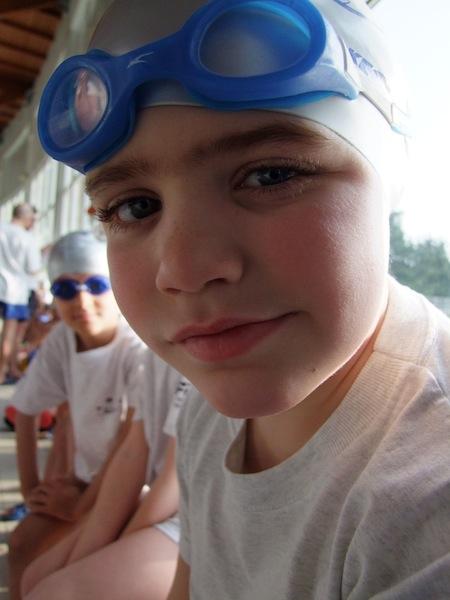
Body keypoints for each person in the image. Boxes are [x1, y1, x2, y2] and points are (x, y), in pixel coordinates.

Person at [37, 1, 450, 598]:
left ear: (387, 183)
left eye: (270, 175)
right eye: (135, 206)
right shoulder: (210, 408)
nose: (184, 271)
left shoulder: (428, 511)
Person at [8, 230, 146, 600]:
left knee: (69, 574)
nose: (82, 300)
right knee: (23, 543)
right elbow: (25, 411)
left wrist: (82, 507)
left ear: (116, 287)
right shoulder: (62, 339)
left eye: (96, 285)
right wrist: (32, 493)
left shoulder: (137, 347)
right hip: (86, 482)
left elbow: (129, 443)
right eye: (66, 289)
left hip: (136, 490)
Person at [21, 365, 190, 600]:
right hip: (161, 504)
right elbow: (133, 451)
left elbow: (174, 481)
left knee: (53, 593)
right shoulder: (154, 358)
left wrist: (118, 544)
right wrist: (82, 555)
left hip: (190, 521)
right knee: (34, 577)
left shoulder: (190, 362)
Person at [0, 203, 42, 383]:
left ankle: (11, 368)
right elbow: (33, 268)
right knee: (10, 333)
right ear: (26, 217)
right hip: (13, 291)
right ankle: (3, 371)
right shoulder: (26, 238)